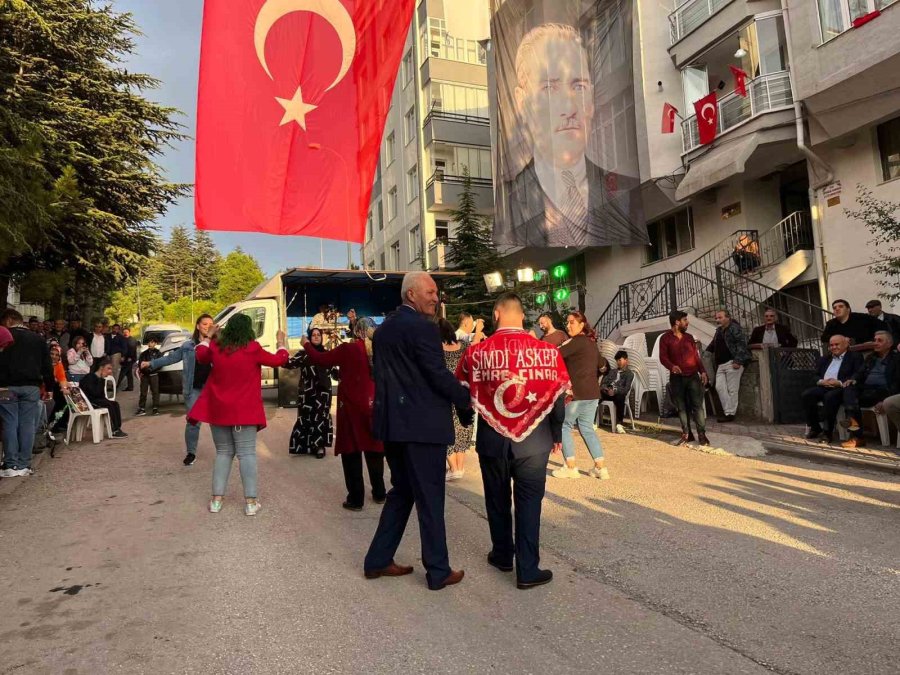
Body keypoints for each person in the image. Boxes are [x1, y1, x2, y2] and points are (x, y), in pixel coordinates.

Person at [364, 271, 473, 591]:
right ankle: (438, 570)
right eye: (430, 291)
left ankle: (377, 560)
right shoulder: (423, 329)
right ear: (411, 294)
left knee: (403, 492)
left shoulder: (382, 332)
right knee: (430, 499)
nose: (436, 297)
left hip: (392, 428)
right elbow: (437, 375)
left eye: (436, 292)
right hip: (423, 429)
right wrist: (466, 399)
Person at [456, 292, 568, 589]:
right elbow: (557, 400)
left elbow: (461, 392)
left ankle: (503, 555)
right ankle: (528, 569)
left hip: (493, 441)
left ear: (495, 315)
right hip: (534, 442)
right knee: (530, 504)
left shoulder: (477, 352)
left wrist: (467, 421)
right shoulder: (548, 352)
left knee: (496, 500)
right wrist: (556, 432)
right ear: (522, 316)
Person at [498, 23, 645, 248]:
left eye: (578, 86)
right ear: (522, 102)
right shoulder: (509, 205)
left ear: (592, 99)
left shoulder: (627, 194)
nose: (569, 107)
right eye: (549, 88)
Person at [188, 314, 289, 516]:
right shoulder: (253, 349)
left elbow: (200, 354)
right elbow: (280, 360)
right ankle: (251, 503)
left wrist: (209, 336)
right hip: (245, 412)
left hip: (219, 411)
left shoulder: (217, 348)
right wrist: (281, 343)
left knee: (223, 453)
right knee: (247, 454)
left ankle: (216, 500)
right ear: (248, 329)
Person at [300, 317, 386, 510]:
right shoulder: (380, 350)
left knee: (352, 451)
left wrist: (306, 344)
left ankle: (356, 499)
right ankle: (379, 492)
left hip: (351, 408)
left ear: (356, 331)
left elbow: (320, 359)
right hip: (375, 405)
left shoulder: (349, 349)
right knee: (375, 449)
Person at [144, 314, 215, 466]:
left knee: (218, 420)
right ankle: (191, 453)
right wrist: (151, 363)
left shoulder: (217, 345)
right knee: (193, 421)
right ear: (197, 326)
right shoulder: (188, 346)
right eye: (204, 324)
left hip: (212, 389)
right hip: (193, 389)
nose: (208, 326)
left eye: (211, 324)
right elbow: (170, 358)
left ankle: (225, 452)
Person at [552, 311, 610, 480]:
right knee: (587, 429)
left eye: (572, 323)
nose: (568, 325)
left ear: (582, 324)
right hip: (592, 393)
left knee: (564, 426)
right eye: (567, 322)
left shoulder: (576, 342)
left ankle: (570, 467)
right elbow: (603, 365)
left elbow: (555, 354)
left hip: (577, 393)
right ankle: (600, 468)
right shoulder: (591, 343)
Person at [0, 309, 55, 477]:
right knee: (27, 424)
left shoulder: (5, 337)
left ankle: (10, 464)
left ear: (9, 320)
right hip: (31, 386)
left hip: (6, 386)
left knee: (9, 423)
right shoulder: (37, 339)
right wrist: (50, 387)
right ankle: (24, 463)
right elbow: (47, 365)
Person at [839, 331, 900, 448]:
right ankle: (856, 433)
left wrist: (886, 400)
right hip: (867, 390)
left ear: (889, 344)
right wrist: (853, 379)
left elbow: (897, 382)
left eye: (880, 340)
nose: (875, 343)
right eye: (875, 340)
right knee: (849, 390)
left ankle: (855, 432)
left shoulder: (896, 359)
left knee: (850, 402)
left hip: (884, 391)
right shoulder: (871, 357)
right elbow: (860, 373)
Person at [659, 311, 710, 447]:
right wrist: (672, 366)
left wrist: (703, 372)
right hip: (677, 378)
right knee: (681, 408)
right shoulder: (665, 338)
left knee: (697, 406)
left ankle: (702, 434)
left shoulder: (688, 338)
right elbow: (663, 357)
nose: (687, 323)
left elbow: (696, 357)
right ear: (677, 322)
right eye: (684, 320)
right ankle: (687, 434)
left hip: (693, 377)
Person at [801, 335, 864, 443]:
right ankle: (815, 427)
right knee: (807, 395)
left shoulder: (854, 357)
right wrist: (822, 381)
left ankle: (827, 432)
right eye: (831, 345)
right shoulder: (825, 358)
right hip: (824, 386)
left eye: (837, 344)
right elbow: (814, 375)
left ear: (846, 344)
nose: (833, 347)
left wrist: (839, 382)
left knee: (829, 397)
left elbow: (857, 374)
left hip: (842, 387)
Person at [285, 327, 333, 458]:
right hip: (307, 393)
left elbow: (335, 372)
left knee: (321, 418)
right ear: (309, 338)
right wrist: (281, 348)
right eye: (313, 335)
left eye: (318, 335)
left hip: (323, 393)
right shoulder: (304, 354)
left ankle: (319, 446)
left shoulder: (327, 353)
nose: (316, 337)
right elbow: (289, 363)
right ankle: (306, 445)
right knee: (306, 418)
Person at [438, 318, 473, 481]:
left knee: (447, 431)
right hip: (464, 393)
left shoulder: (437, 350)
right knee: (462, 430)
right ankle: (460, 467)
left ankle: (453, 468)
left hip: (445, 395)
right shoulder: (465, 347)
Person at [705, 309, 751, 422]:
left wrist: (738, 360)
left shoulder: (734, 328)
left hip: (732, 362)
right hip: (720, 365)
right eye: (716, 318)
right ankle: (729, 411)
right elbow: (713, 344)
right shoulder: (719, 330)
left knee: (732, 390)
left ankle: (729, 414)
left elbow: (742, 343)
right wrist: (705, 352)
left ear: (728, 317)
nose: (717, 320)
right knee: (719, 387)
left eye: (720, 317)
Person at [79, 358, 127, 438]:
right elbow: (94, 393)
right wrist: (101, 380)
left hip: (97, 400)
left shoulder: (101, 379)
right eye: (108, 368)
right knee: (109, 405)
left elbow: (102, 396)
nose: (110, 371)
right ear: (101, 368)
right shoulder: (90, 377)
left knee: (114, 404)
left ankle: (117, 428)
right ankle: (114, 430)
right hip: (89, 402)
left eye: (111, 369)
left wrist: (102, 380)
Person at [601, 350, 634, 434]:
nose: (618, 362)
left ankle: (619, 423)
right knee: (597, 395)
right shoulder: (612, 372)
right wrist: (607, 389)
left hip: (618, 394)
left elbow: (626, 389)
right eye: (617, 360)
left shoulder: (629, 374)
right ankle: (593, 421)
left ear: (626, 360)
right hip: (608, 392)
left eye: (620, 360)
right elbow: (603, 383)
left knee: (620, 397)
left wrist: (615, 391)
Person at [136, 338, 162, 416]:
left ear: (155, 343)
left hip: (154, 375)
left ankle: (155, 408)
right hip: (145, 375)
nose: (150, 344)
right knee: (143, 392)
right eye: (149, 342)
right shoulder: (143, 354)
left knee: (155, 392)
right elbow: (140, 364)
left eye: (152, 342)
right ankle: (142, 408)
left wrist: (152, 369)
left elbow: (160, 364)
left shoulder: (158, 353)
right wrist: (146, 370)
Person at [118, 327, 138, 392]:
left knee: (122, 372)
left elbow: (132, 349)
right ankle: (130, 387)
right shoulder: (124, 339)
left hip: (130, 359)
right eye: (124, 332)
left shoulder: (132, 340)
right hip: (126, 359)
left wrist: (130, 357)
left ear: (129, 332)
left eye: (126, 332)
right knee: (129, 373)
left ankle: (115, 386)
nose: (125, 333)